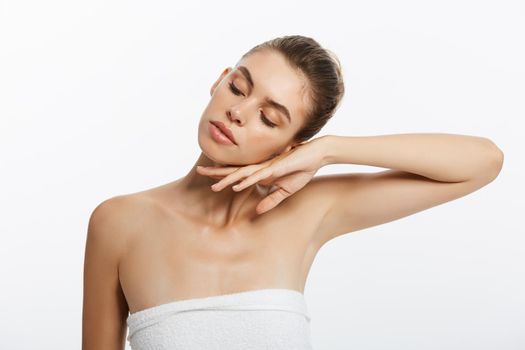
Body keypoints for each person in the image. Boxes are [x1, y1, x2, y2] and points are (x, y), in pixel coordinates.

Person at [82, 35, 504, 349]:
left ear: (291, 147)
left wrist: (330, 150)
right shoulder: (120, 221)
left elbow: (483, 162)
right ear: (218, 82)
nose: (238, 113)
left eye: (268, 117)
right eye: (238, 88)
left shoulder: (308, 212)